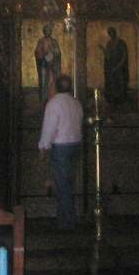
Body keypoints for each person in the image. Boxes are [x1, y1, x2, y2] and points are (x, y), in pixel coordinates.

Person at [39, 74, 84, 230]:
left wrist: (43, 146)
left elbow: (49, 128)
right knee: (68, 183)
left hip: (61, 147)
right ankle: (64, 219)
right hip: (75, 145)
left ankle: (67, 222)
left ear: (56, 87)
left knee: (62, 185)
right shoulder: (76, 102)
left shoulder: (54, 104)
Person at [33, 24, 61, 104]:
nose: (48, 32)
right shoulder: (41, 41)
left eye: (49, 30)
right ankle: (43, 99)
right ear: (44, 31)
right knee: (44, 82)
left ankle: (53, 99)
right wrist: (44, 55)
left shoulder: (54, 41)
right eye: (46, 30)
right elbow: (37, 52)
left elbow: (58, 53)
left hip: (52, 66)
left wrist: (52, 52)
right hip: (44, 65)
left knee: (52, 82)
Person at [103, 26, 129, 105]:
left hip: (120, 67)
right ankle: (113, 100)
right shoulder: (109, 43)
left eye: (112, 33)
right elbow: (108, 56)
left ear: (115, 33)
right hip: (111, 68)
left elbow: (124, 55)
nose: (111, 35)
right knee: (112, 84)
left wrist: (119, 65)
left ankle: (121, 100)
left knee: (120, 83)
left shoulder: (121, 43)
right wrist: (104, 50)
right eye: (109, 33)